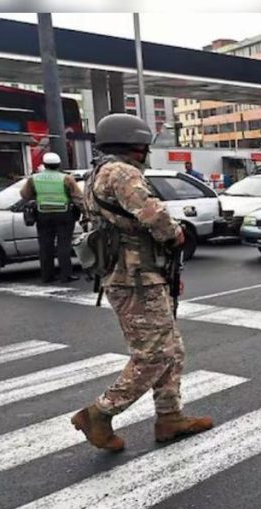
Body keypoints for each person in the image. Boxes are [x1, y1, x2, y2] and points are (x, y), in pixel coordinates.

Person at [70, 113, 212, 453]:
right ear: (135, 144)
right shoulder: (121, 172)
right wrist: (176, 234)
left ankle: (170, 417)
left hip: (137, 274)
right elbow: (155, 216)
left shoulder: (98, 172)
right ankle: (100, 413)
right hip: (135, 277)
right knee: (153, 355)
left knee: (171, 350)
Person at [19, 152, 84, 283]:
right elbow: (78, 197)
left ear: (44, 164)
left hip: (43, 215)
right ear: (59, 164)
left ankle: (47, 276)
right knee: (63, 245)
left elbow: (24, 195)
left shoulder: (34, 178)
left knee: (45, 245)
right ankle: (66, 275)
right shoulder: (66, 178)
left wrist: (38, 198)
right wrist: (85, 211)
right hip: (64, 214)